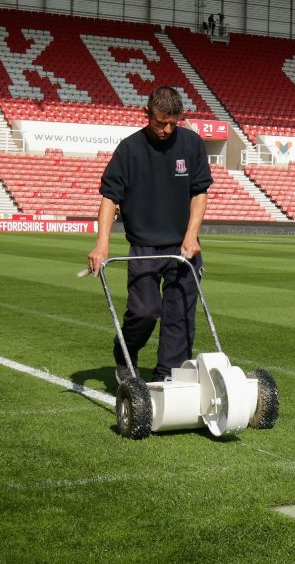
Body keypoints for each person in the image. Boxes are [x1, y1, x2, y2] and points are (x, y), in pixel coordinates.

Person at [87, 86, 212, 384]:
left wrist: (192, 236)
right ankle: (126, 351)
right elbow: (109, 198)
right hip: (144, 247)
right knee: (144, 312)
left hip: (182, 248)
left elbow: (200, 193)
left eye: (172, 123)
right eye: (160, 123)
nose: (166, 129)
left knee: (180, 314)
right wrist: (101, 244)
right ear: (147, 115)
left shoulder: (192, 144)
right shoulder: (129, 149)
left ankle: (170, 376)